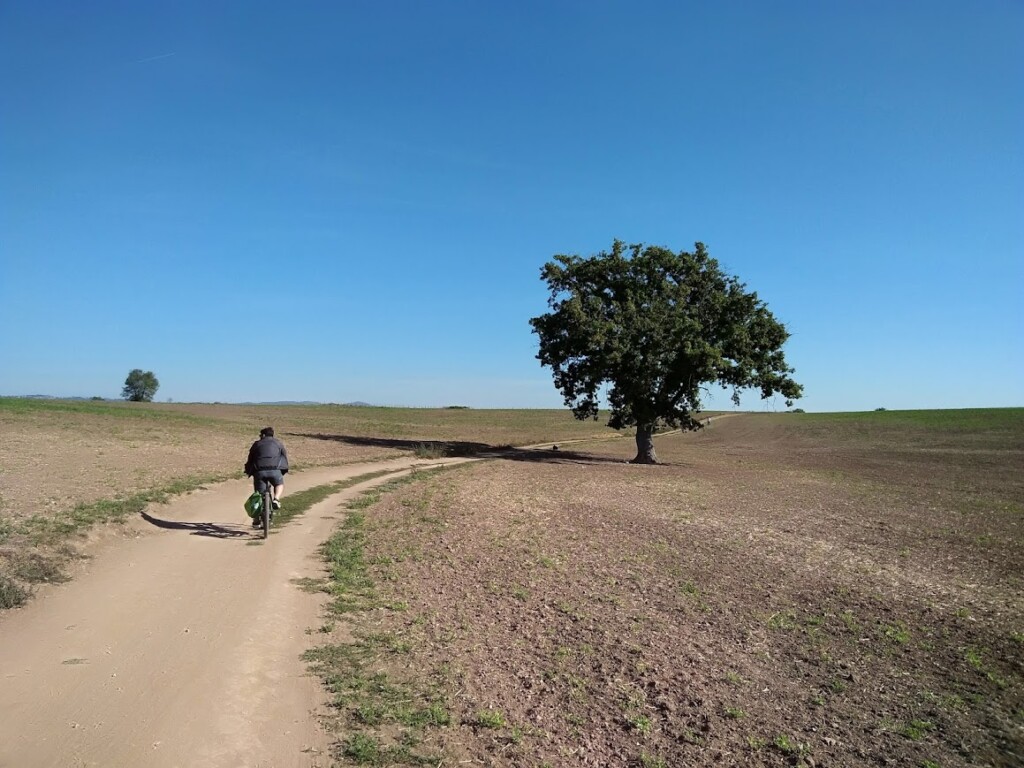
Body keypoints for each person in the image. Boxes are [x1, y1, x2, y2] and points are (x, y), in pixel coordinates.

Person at [244, 426, 289, 525]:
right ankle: (276, 499)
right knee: (279, 484)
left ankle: (256, 518)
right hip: (275, 470)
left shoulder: (256, 444)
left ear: (263, 435)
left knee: (259, 495)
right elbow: (284, 456)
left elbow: (250, 459)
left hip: (260, 471)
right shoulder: (278, 443)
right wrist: (283, 469)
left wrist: (248, 470)